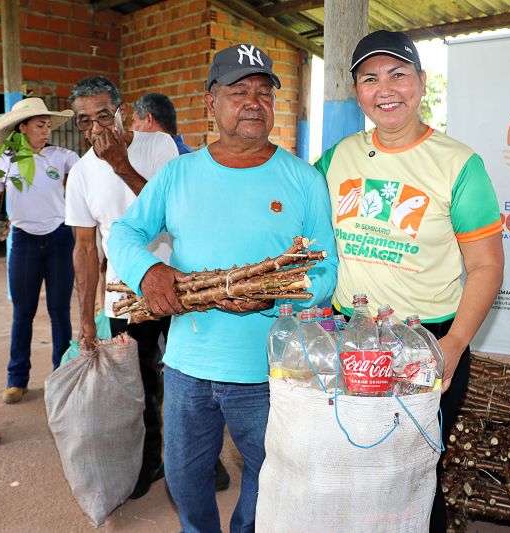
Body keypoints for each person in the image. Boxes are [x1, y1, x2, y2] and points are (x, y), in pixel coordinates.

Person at [108, 44, 338, 532]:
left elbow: (326, 273)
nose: (254, 102)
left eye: (263, 92)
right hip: (188, 366)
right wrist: (148, 273)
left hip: (269, 370)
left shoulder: (303, 180)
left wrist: (273, 295)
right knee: (185, 477)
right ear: (211, 103)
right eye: (239, 91)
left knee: (268, 474)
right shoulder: (178, 173)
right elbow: (124, 233)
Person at [313, 31, 504, 532]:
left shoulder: (459, 164)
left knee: (413, 473)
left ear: (421, 82)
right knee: (348, 461)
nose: (386, 88)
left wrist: (456, 343)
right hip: (348, 337)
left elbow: (485, 266)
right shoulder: (336, 159)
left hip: (426, 343)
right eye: (370, 78)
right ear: (357, 92)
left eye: (398, 74)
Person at [64, 75, 178, 499]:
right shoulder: (79, 174)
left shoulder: (158, 147)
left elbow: (169, 216)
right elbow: (84, 249)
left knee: (189, 379)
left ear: (122, 110)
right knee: (141, 386)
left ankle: (202, 459)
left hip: (176, 284)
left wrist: (121, 165)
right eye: (85, 121)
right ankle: (150, 462)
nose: (96, 129)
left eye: (104, 116)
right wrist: (86, 321)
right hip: (124, 295)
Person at [130, 92, 232, 491]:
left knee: (168, 377)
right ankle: (201, 466)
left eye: (135, 124)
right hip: (163, 284)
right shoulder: (187, 157)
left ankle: (186, 464)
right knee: (164, 374)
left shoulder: (180, 164)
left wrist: (120, 166)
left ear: (149, 122)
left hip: (180, 291)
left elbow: (159, 214)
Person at [0, 98, 79, 404]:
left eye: (48, 125)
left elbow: (91, 177)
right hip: (23, 241)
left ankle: (61, 375)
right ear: (22, 127)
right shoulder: (5, 158)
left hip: (60, 239)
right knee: (23, 312)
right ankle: (16, 378)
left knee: (59, 311)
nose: (46, 131)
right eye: (39, 125)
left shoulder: (63, 156)